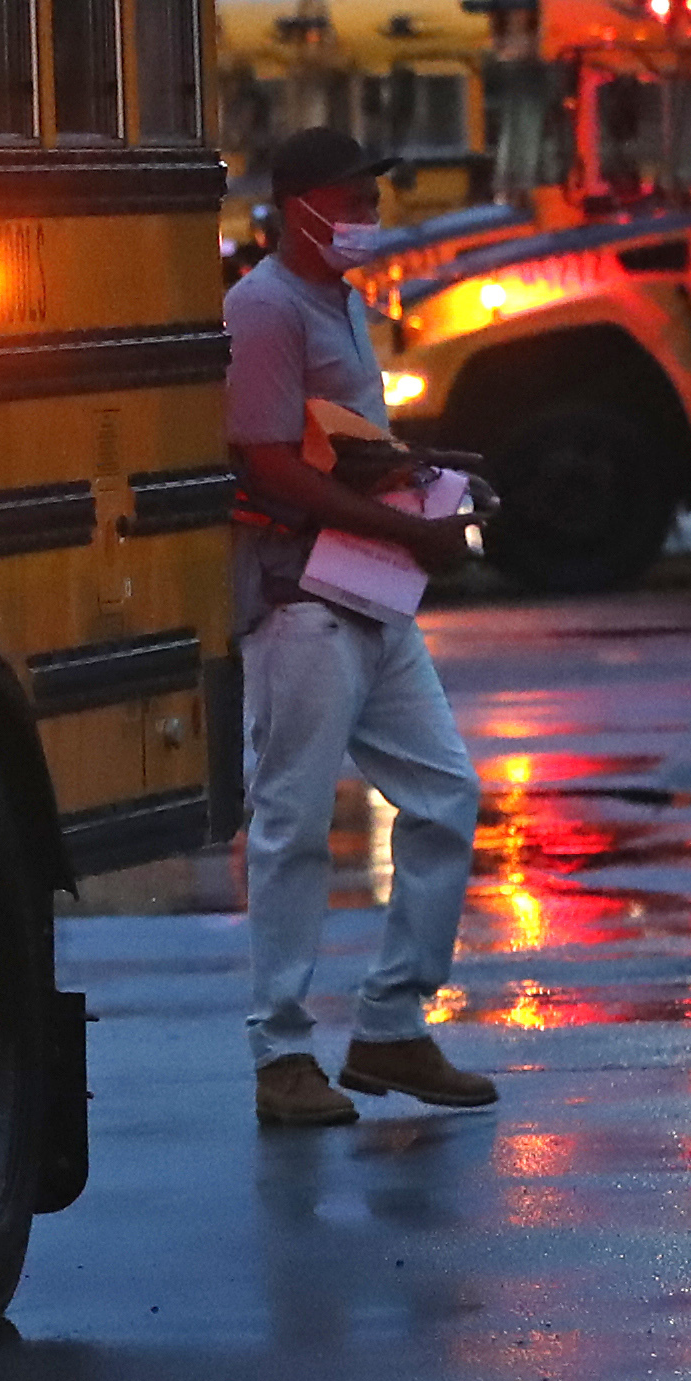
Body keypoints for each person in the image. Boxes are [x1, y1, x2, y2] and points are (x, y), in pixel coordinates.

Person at [227, 126, 501, 1129]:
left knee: (446, 795)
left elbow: (332, 443)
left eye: (371, 200)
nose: (368, 219)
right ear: (301, 204)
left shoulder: (336, 299)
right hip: (301, 600)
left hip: (367, 590)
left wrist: (415, 480)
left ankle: (390, 1023)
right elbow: (265, 462)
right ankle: (282, 1051)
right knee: (293, 825)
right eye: (354, 200)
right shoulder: (262, 310)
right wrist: (399, 521)